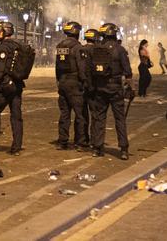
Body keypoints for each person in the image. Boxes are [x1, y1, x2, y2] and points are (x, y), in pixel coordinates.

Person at [85, 22, 132, 160]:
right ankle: (123, 149)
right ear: (114, 34)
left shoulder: (96, 49)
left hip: (100, 89)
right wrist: (131, 87)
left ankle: (98, 148)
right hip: (116, 88)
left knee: (99, 118)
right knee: (120, 119)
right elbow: (128, 72)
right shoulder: (120, 50)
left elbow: (90, 71)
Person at [0, 21, 29, 156]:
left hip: (5, 86)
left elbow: (1, 68)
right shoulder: (17, 45)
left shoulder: (3, 47)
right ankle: (16, 147)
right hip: (17, 85)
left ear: (4, 32)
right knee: (16, 117)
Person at [54, 20, 88, 151]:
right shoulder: (78, 48)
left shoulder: (60, 46)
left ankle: (62, 141)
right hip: (75, 83)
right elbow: (81, 67)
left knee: (64, 114)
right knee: (80, 114)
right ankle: (80, 142)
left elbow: (58, 67)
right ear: (77, 32)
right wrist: (85, 82)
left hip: (63, 82)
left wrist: (58, 81)